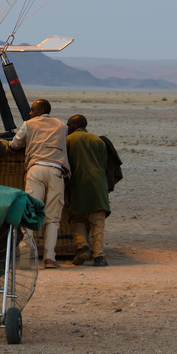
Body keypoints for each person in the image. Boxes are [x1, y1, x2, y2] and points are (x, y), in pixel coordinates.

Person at [10, 98, 69, 268]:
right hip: (56, 171)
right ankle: (50, 258)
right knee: (53, 218)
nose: (30, 113)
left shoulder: (29, 124)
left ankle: (26, 256)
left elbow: (15, 143)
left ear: (41, 110)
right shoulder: (61, 126)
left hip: (36, 170)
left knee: (29, 213)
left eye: (33, 109)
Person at [66, 114, 111, 267]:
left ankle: (82, 246)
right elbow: (104, 165)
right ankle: (99, 257)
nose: (67, 128)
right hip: (99, 186)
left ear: (76, 124)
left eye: (69, 125)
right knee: (98, 223)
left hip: (79, 184)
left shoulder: (69, 140)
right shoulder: (98, 140)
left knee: (77, 219)